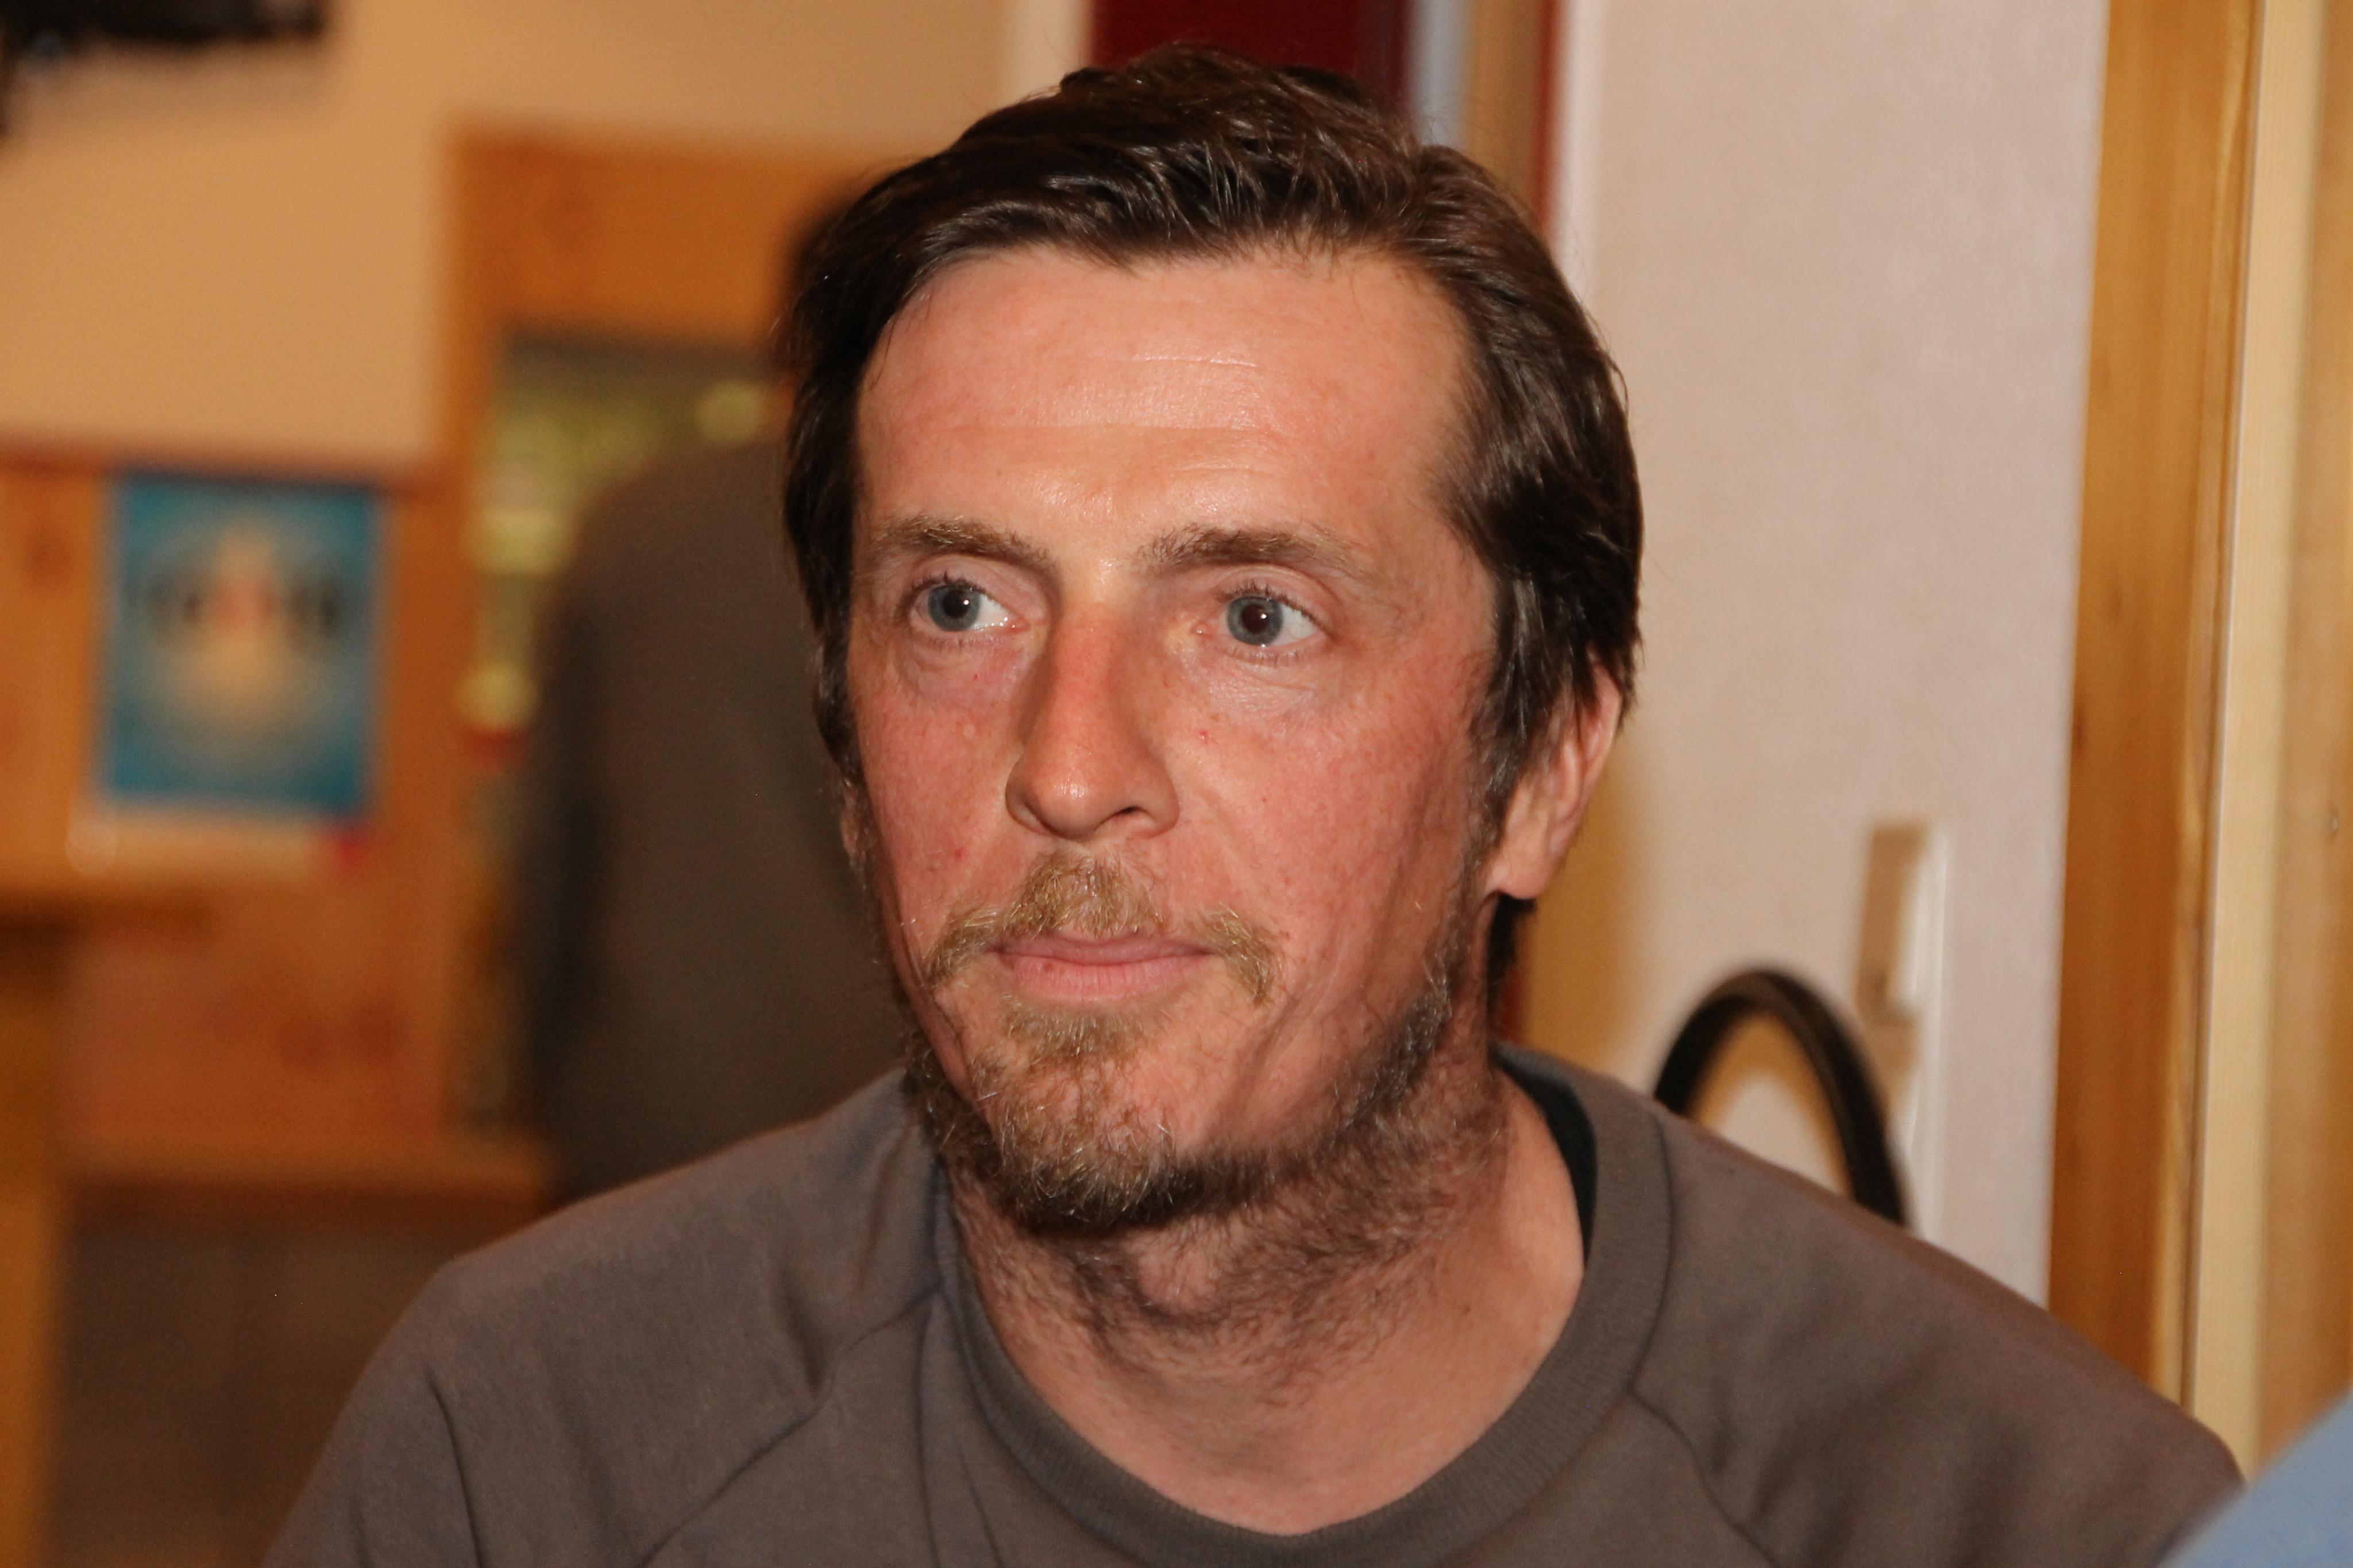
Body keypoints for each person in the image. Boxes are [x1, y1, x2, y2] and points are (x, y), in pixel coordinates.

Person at [271, 48, 2236, 1566]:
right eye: (959, 606)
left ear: (1538, 770)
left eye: (1254, 618)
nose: (1068, 764)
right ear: (845, 751)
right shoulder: (534, 1455)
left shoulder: (2011, 1513)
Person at [513, 204, 899, 1198]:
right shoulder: (935, 550)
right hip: (884, 1110)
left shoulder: (634, 530)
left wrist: (543, 1078)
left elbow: (550, 846)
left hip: (652, 1099)